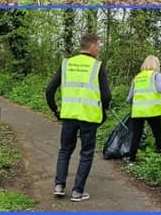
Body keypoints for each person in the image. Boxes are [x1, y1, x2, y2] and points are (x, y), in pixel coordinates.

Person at [45, 32, 111, 203]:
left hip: (68, 115)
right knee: (86, 153)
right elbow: (106, 96)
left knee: (65, 150)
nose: (99, 49)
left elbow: (49, 90)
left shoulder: (66, 64)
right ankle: (77, 192)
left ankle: (59, 186)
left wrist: (55, 109)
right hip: (89, 117)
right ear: (93, 46)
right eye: (99, 46)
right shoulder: (97, 66)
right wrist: (103, 112)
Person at [126, 55, 161, 162]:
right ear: (156, 64)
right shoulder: (156, 75)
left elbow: (130, 97)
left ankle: (132, 159)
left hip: (138, 111)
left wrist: (132, 103)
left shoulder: (137, 77)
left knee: (136, 135)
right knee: (157, 133)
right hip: (152, 109)